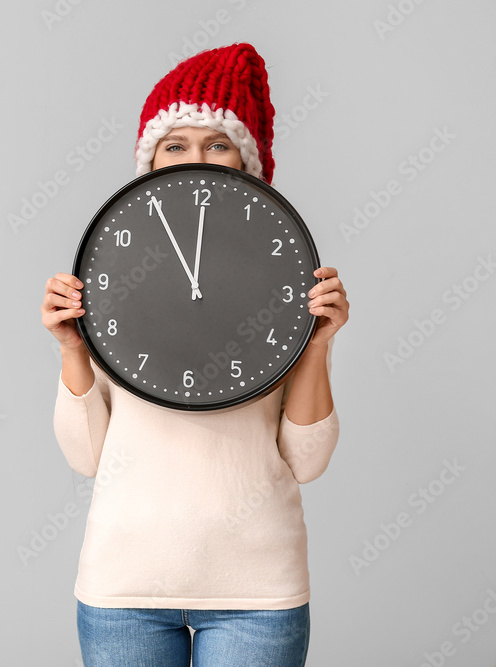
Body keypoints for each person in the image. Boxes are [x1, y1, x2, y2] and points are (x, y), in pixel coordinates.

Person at [40, 43, 350, 666]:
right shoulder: (113, 272)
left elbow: (307, 461)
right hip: (124, 587)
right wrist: (73, 348)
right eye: (175, 144)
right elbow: (85, 455)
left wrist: (318, 345)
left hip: (257, 592)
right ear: (150, 162)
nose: (196, 158)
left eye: (218, 143)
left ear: (248, 163)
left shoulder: (284, 276)